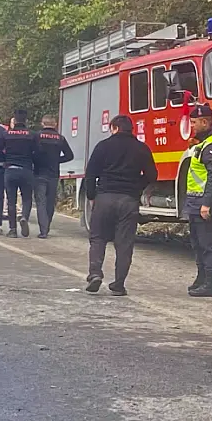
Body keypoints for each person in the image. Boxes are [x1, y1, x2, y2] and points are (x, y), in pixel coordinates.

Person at [83, 114, 157, 296]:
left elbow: (90, 173)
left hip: (105, 197)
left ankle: (95, 273)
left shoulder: (103, 146)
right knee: (124, 243)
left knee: (98, 238)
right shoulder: (141, 148)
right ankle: (119, 284)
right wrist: (136, 188)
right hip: (128, 201)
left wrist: (92, 196)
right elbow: (152, 175)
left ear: (114, 128)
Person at [183, 104, 212, 298]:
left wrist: (206, 203)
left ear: (205, 122)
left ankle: (209, 284)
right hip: (196, 201)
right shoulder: (203, 143)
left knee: (207, 244)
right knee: (197, 242)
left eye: (194, 123)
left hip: (205, 202)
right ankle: (201, 279)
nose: (192, 126)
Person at [33, 115, 74, 239]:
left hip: (39, 172)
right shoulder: (60, 138)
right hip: (53, 173)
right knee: (50, 202)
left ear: (42, 123)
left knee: (40, 201)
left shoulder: (37, 136)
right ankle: (47, 226)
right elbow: (69, 155)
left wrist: (35, 162)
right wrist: (57, 160)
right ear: (55, 124)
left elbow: (31, 152)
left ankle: (43, 230)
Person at [0, 109, 37, 238]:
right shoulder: (32, 135)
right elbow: (38, 152)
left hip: (10, 170)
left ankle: (12, 230)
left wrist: (5, 160)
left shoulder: (6, 134)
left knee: (11, 201)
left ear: (14, 121)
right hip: (26, 170)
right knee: (27, 198)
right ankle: (24, 216)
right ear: (25, 120)